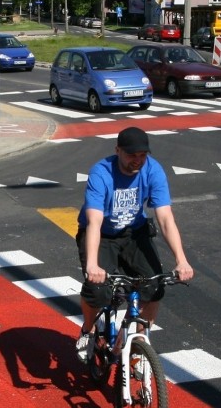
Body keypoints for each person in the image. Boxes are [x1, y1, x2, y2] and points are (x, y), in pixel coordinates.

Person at [74, 127, 194, 363]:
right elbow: (94, 221)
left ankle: (137, 345)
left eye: (142, 156)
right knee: (98, 292)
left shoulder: (153, 170)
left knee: (154, 287)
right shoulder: (101, 173)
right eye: (131, 156)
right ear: (117, 150)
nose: (137, 161)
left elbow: (165, 218)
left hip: (134, 233)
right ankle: (88, 331)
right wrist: (92, 265)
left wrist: (181, 260)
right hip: (103, 234)